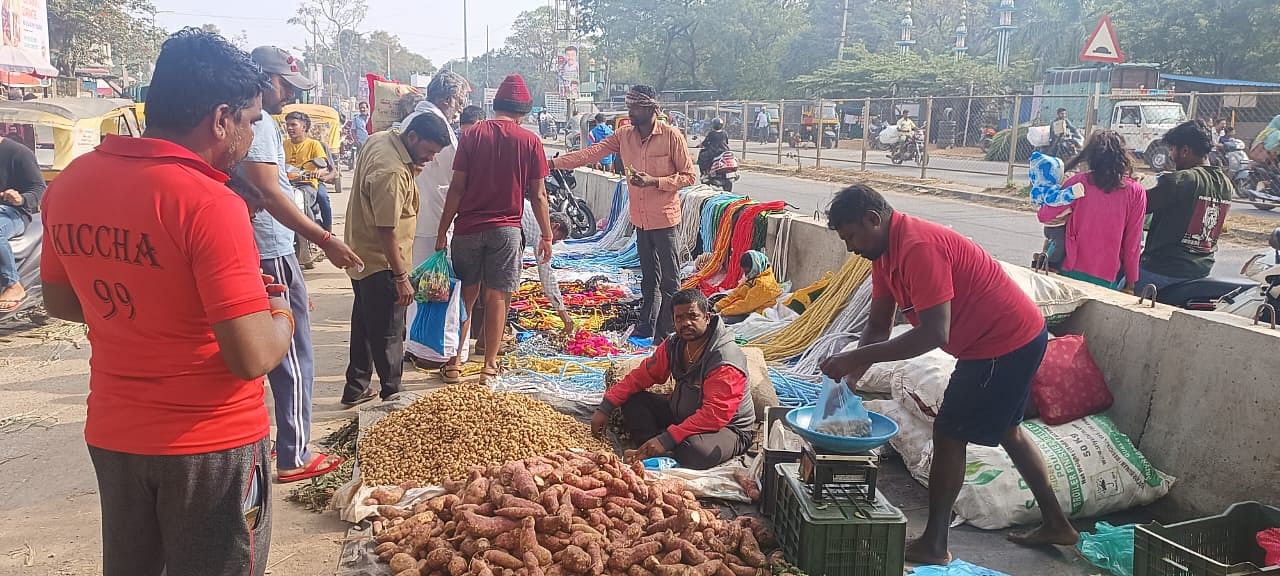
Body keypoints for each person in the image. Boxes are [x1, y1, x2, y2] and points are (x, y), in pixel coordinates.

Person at [39, 28, 295, 575]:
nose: (251, 136)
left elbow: (62, 300)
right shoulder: (209, 203)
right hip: (211, 443)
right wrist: (282, 316)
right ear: (221, 117)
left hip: (116, 434)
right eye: (251, 121)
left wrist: (151, 309)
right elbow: (250, 356)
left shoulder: (72, 182)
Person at [820, 184, 1077, 565]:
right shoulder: (883, 256)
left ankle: (935, 544)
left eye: (852, 236)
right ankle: (1057, 523)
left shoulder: (917, 247)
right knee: (1009, 431)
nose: (850, 247)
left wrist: (854, 357)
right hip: (999, 341)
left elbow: (933, 332)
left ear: (873, 220)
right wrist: (851, 377)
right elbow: (877, 326)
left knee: (950, 432)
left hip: (1004, 343)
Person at [238, 45, 360, 482]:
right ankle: (294, 454)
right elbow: (269, 192)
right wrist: (325, 239)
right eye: (284, 84)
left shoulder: (243, 123)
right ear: (262, 80)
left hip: (258, 245)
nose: (288, 95)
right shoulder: (260, 124)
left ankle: (274, 444)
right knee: (293, 354)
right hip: (271, 250)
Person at [550, 85, 696, 341]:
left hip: (665, 220)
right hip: (640, 220)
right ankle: (645, 326)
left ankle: (667, 335)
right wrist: (552, 163)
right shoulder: (624, 135)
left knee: (670, 283)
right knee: (649, 280)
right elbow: (589, 154)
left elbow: (689, 176)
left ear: (650, 108)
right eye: (629, 106)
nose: (630, 111)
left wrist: (654, 181)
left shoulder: (672, 136)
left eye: (635, 107)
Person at [436, 74, 554, 384]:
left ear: (496, 105)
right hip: (506, 230)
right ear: (524, 111)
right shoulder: (530, 141)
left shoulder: (473, 135)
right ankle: (488, 365)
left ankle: (453, 363)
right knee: (497, 297)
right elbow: (539, 195)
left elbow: (456, 189)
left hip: (467, 228)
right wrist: (547, 234)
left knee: (464, 297)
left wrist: (442, 231)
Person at [342, 112, 453, 405]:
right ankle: (393, 393)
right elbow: (386, 229)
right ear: (412, 137)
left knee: (365, 323)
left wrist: (414, 168)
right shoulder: (391, 172)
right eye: (428, 152)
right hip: (382, 260)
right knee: (390, 331)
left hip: (361, 253)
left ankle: (356, 387)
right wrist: (401, 277)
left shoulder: (381, 140)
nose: (430, 159)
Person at [590, 289, 753, 469]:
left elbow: (715, 415)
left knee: (694, 451)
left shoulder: (724, 358)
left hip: (726, 428)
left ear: (707, 317)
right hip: (682, 415)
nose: (686, 323)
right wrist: (606, 407)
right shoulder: (674, 344)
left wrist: (667, 438)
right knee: (633, 400)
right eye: (679, 318)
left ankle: (664, 451)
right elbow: (643, 375)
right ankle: (648, 451)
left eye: (693, 316)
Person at [400, 70, 470, 370]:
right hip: (432, 218)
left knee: (416, 285)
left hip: (416, 213)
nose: (460, 107)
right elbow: (459, 172)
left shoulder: (411, 121)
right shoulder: (437, 125)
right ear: (446, 99)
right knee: (433, 287)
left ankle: (414, 345)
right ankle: (429, 350)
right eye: (459, 101)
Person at [1037, 131, 1147, 290]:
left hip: (1070, 270)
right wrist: (1131, 283)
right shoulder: (1136, 191)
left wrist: (1050, 191)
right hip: (1108, 275)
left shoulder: (1078, 183)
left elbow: (1044, 215)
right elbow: (1133, 243)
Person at [1139, 121, 1233, 290]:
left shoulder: (1180, 180)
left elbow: (1138, 206)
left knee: (1114, 293)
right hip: (1201, 271)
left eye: (1172, 149)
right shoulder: (1226, 184)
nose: (1170, 155)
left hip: (1163, 270)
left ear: (1185, 151)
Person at [0, 127, 45, 312]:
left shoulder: (18, 153)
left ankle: (13, 284)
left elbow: (39, 189)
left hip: (13, 212)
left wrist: (21, 199)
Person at [522, 203, 575, 334]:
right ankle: (490, 338)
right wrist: (564, 316)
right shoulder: (542, 228)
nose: (552, 244)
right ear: (555, 226)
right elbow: (546, 275)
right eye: (556, 240)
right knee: (503, 290)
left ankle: (482, 337)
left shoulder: (532, 208)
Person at [283, 111, 332, 232]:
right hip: (287, 183)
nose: (289, 128)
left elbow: (324, 166)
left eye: (293, 125)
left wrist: (319, 172)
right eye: (288, 125)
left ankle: (319, 233)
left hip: (307, 184)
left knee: (316, 200)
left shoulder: (314, 145)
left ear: (304, 127)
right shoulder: (284, 144)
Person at [715, 250, 782, 320]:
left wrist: (723, 312)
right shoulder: (756, 275)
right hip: (747, 305)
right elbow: (736, 293)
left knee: (723, 320)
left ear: (756, 266)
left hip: (757, 311)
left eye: (747, 270)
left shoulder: (763, 285)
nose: (746, 274)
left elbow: (746, 305)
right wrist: (718, 306)